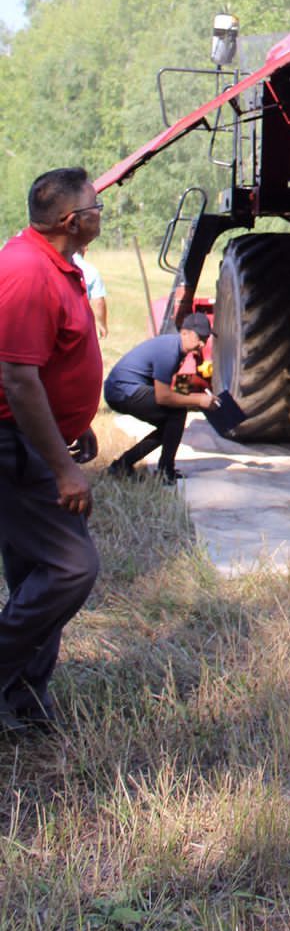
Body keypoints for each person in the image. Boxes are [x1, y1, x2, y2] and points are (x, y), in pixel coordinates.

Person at [0, 167, 104, 736]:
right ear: (71, 220)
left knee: (36, 569)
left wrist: (75, 424)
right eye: (95, 206)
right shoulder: (26, 271)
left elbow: (51, 362)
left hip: (36, 438)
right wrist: (63, 470)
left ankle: (23, 698)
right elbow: (17, 379)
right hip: (14, 447)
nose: (99, 214)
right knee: (71, 567)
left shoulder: (55, 264)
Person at [105, 314, 217, 483]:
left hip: (121, 389)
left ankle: (123, 465)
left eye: (205, 339)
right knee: (176, 413)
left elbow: (175, 388)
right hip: (121, 390)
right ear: (184, 333)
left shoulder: (176, 347)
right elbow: (163, 396)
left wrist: (197, 393)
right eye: (199, 337)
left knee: (170, 425)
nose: (202, 344)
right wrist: (199, 400)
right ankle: (165, 472)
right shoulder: (169, 351)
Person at [72, 251, 108, 340]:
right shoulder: (90, 270)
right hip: (79, 324)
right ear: (85, 248)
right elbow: (99, 302)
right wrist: (102, 324)